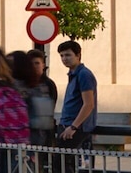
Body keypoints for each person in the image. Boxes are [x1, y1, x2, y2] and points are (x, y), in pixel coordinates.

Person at [55, 40, 96, 173]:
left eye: (68, 55)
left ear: (78, 55)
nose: (64, 59)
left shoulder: (83, 74)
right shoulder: (74, 75)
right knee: (65, 163)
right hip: (68, 125)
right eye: (61, 56)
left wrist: (73, 127)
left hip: (75, 127)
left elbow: (89, 104)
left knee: (60, 162)